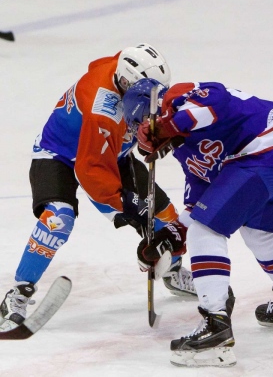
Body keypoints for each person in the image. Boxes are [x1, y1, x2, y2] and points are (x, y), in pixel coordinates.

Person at [123, 78, 273, 368]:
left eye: (140, 126)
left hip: (268, 144)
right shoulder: (185, 150)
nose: (140, 136)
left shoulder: (181, 98)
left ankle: (215, 324)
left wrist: (169, 124)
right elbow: (201, 202)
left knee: (207, 231)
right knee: (260, 233)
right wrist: (168, 238)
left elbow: (216, 100)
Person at [0, 44, 195, 333]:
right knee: (57, 220)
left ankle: (173, 269)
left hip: (110, 154)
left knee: (164, 214)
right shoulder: (101, 108)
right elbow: (89, 170)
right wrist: (128, 204)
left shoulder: (123, 70)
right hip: (60, 156)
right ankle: (17, 294)